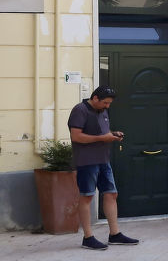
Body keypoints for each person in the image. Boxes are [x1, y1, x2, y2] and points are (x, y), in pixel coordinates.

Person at [68, 86, 139, 250]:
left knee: (112, 194)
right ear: (95, 98)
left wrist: (113, 134)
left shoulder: (103, 111)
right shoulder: (80, 110)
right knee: (86, 197)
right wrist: (102, 138)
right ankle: (88, 238)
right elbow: (76, 136)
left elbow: (102, 133)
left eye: (109, 103)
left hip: (103, 160)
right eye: (105, 103)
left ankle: (115, 234)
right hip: (86, 161)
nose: (107, 106)